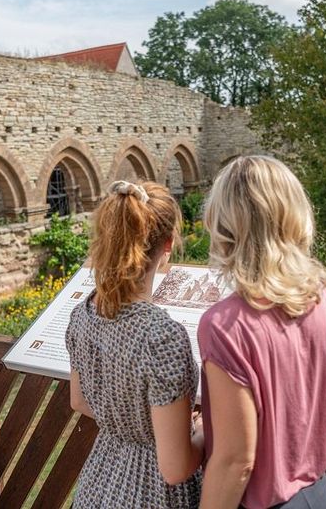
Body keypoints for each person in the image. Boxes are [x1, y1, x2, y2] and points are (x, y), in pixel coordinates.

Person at [198, 156, 326, 509]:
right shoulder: (319, 299)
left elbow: (237, 460)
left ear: (223, 226)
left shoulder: (224, 326)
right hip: (317, 495)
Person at [66, 180, 204, 508]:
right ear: (168, 244)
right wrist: (203, 429)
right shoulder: (162, 337)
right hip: (154, 493)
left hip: (100, 482)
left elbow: (79, 402)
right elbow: (176, 468)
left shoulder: (82, 315)